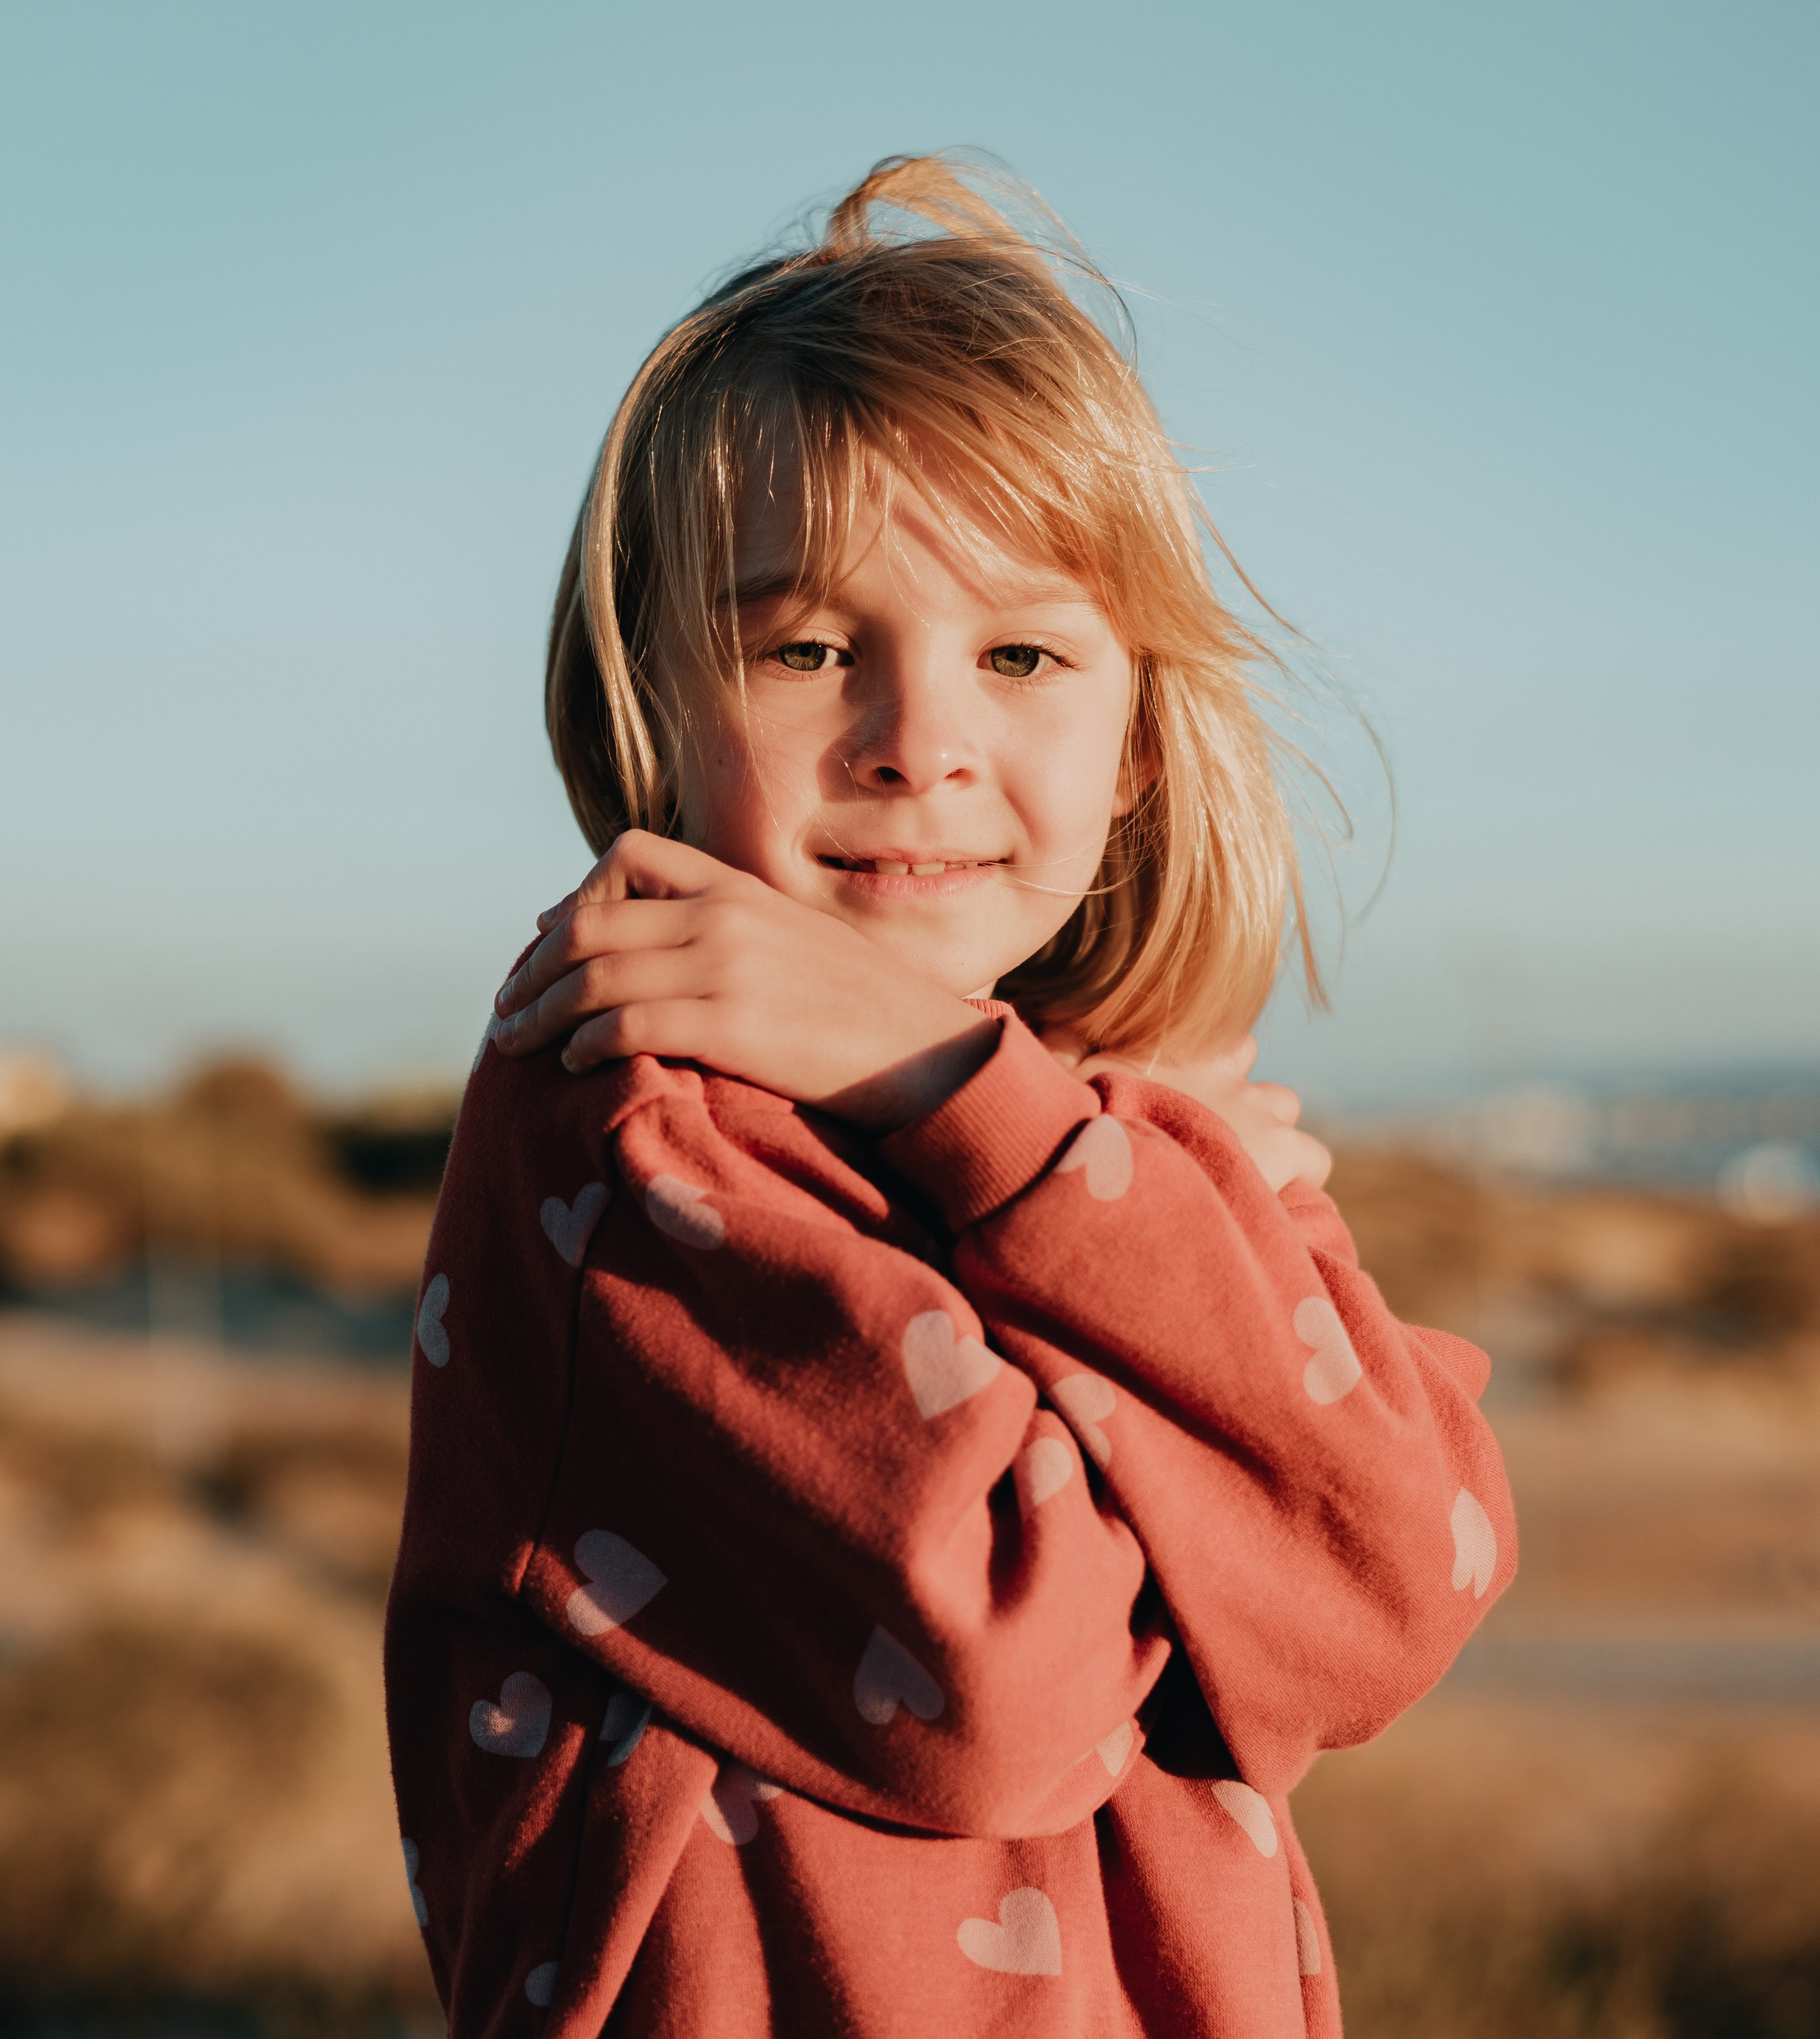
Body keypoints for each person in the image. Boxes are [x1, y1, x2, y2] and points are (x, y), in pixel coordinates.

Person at [385, 152, 1513, 2039]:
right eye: (809, 647)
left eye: (1016, 653)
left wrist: (1044, 1134)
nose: (920, 744)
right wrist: (1120, 1228)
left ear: (1136, 739)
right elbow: (1005, 1683)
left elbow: (1397, 1582)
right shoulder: (630, 1101)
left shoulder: (1117, 1125)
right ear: (647, 698)